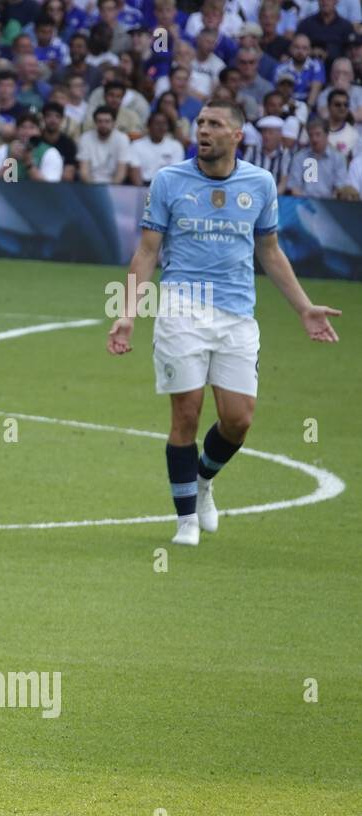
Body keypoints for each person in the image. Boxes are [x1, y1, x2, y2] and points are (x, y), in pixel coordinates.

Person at [107, 100, 341, 547]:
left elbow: (270, 251)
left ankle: (203, 481)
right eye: (200, 123)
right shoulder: (170, 180)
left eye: (215, 124)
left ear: (237, 135)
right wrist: (126, 313)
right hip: (180, 308)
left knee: (238, 420)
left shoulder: (260, 182)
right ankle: (186, 520)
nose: (204, 130)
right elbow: (147, 252)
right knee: (187, 414)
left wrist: (305, 308)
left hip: (237, 314)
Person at [128, 110, 185, 185]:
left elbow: (175, 174)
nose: (161, 127)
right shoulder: (136, 145)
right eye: (157, 123)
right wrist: (142, 192)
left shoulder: (176, 146)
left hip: (167, 186)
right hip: (143, 186)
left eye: (164, 124)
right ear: (149, 126)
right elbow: (135, 172)